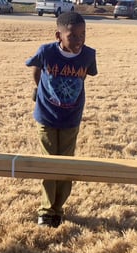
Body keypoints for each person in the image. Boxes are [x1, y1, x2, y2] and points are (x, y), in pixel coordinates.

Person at [25, 12, 97, 228]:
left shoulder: (88, 55)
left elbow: (84, 76)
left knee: (66, 165)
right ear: (59, 35)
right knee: (49, 163)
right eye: (72, 36)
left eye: (82, 35)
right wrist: (39, 90)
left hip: (71, 118)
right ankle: (46, 211)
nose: (79, 40)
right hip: (46, 115)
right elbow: (37, 70)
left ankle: (58, 209)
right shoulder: (46, 51)